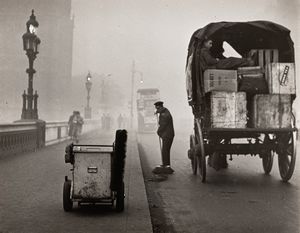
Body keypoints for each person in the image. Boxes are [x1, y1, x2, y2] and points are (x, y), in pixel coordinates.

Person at [152, 101, 175, 174]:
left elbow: (162, 125)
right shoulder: (165, 112)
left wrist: (158, 131)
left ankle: (166, 166)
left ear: (160, 107)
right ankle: (166, 165)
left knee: (164, 151)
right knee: (165, 150)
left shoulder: (164, 114)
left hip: (167, 135)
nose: (157, 110)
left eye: (157, 109)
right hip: (169, 135)